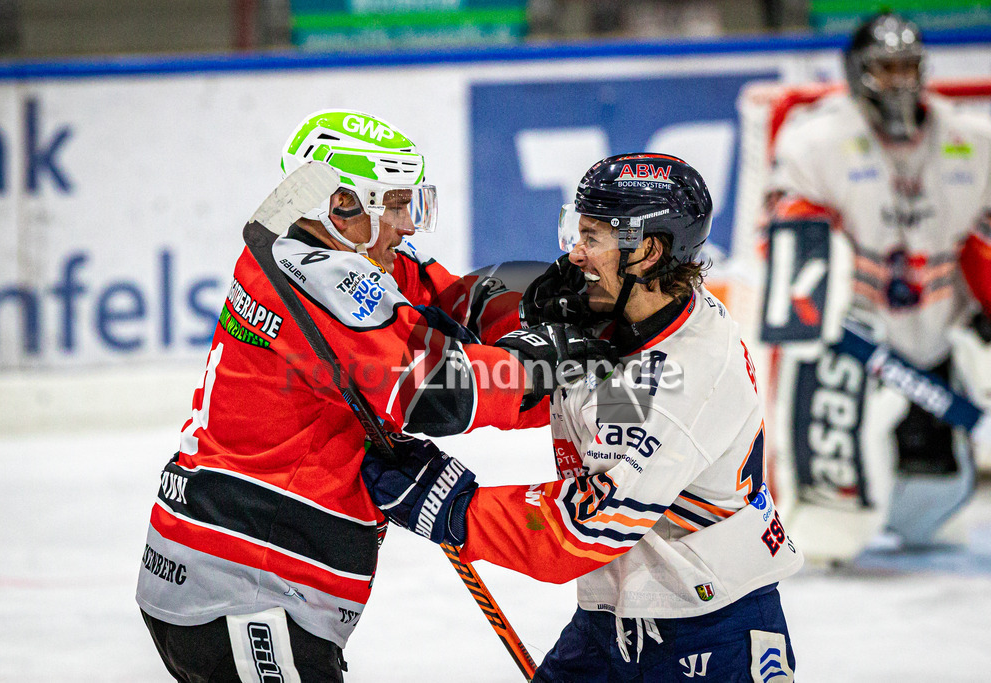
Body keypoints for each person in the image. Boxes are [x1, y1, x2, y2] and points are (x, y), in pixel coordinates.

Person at [135, 109, 612, 682]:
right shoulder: (321, 278)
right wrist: (552, 356)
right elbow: (442, 392)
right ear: (340, 204)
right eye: (391, 205)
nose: (405, 224)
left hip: (228, 567)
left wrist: (548, 299)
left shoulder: (321, 251)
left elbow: (457, 300)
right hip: (246, 585)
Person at [362, 154, 803, 681]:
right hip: (612, 623)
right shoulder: (640, 310)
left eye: (592, 237)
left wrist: (454, 508)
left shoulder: (684, 378)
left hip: (709, 637)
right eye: (577, 229)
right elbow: (577, 405)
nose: (574, 252)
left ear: (648, 250)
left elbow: (580, 530)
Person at [762, 12, 991, 561]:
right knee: (829, 513)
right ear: (857, 70)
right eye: (885, 68)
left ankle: (926, 500)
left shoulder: (973, 139)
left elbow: (980, 237)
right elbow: (789, 239)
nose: (899, 80)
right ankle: (822, 520)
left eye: (907, 66)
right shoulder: (816, 138)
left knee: (931, 510)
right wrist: (818, 317)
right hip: (854, 324)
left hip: (938, 324)